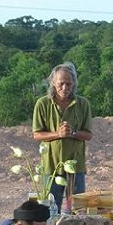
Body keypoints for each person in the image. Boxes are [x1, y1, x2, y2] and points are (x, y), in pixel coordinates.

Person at [32, 62, 93, 212]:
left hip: (75, 165)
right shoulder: (43, 104)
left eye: (69, 84)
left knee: (77, 210)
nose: (65, 88)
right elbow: (37, 135)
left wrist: (73, 133)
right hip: (51, 166)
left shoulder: (83, 104)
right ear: (53, 82)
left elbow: (88, 134)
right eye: (61, 84)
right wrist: (58, 134)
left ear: (74, 84)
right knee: (51, 210)